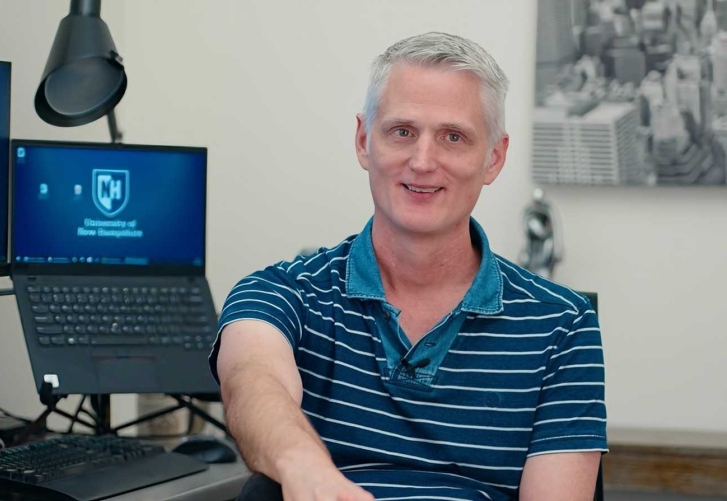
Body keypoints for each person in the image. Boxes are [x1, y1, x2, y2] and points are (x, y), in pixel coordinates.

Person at [210, 32, 607, 500]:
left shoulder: (563, 323)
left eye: (453, 137)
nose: (422, 161)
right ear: (363, 141)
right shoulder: (285, 292)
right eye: (402, 132)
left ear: (493, 158)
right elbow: (253, 381)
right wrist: (306, 470)